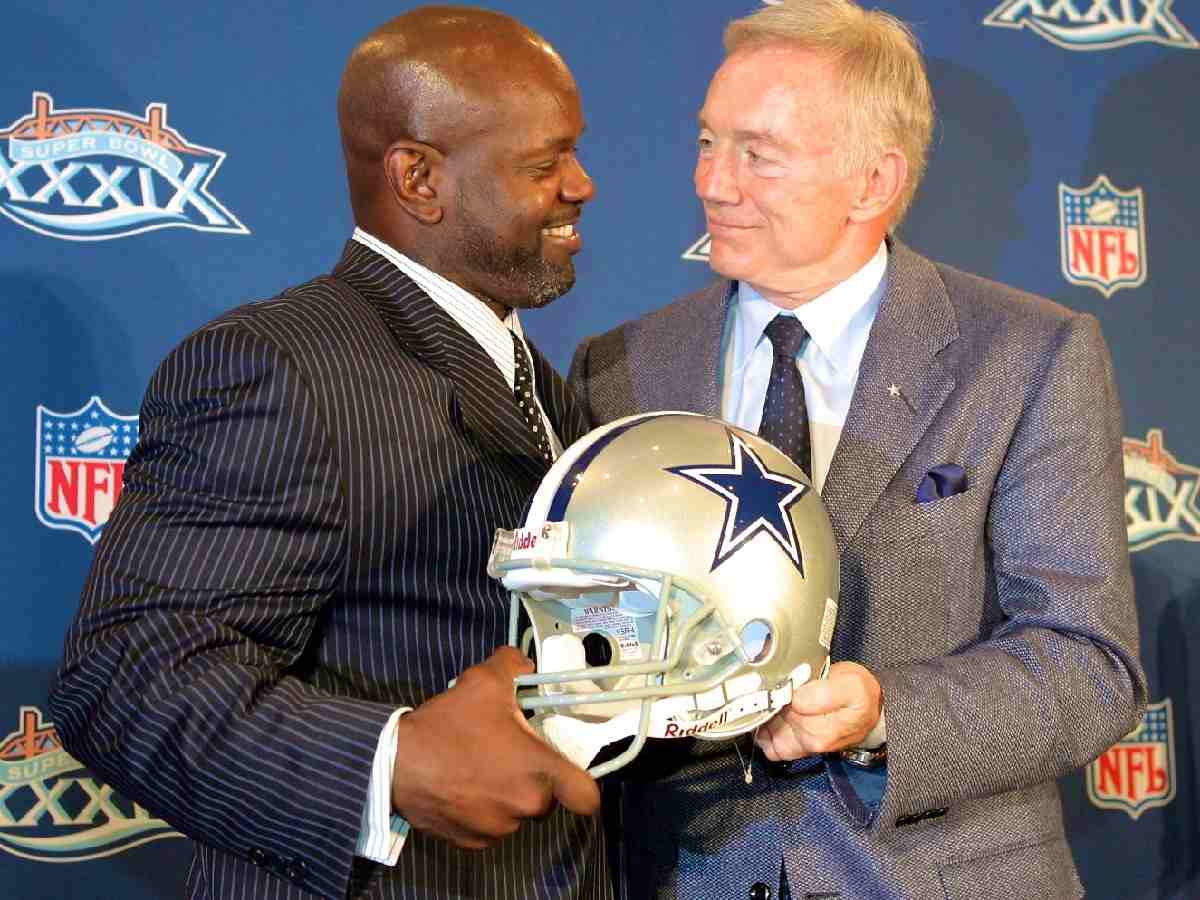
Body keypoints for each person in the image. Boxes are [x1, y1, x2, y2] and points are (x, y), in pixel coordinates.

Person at [568, 1, 1145, 898]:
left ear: (874, 183)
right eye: (707, 142)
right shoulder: (619, 366)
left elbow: (1087, 664)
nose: (713, 182)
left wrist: (885, 715)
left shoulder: (1029, 355)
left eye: (757, 154)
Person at [48, 7, 610, 900]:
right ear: (419, 178)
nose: (581, 184)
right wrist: (394, 764)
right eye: (544, 163)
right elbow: (122, 675)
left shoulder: (548, 384)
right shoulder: (279, 366)